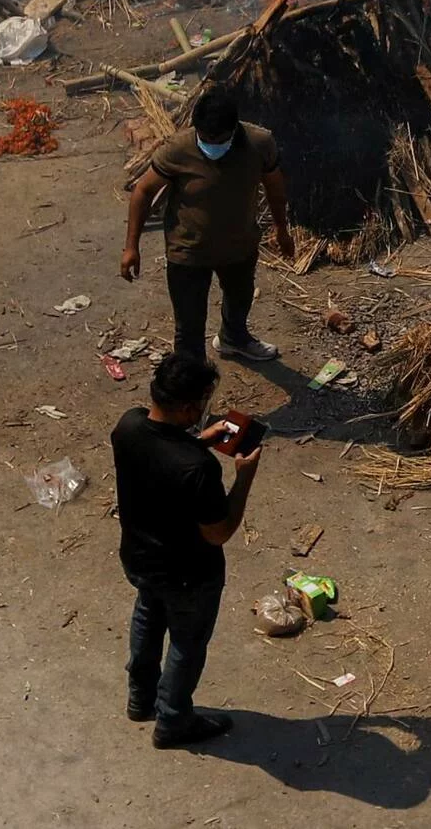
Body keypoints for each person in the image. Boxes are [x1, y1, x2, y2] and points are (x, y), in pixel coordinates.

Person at [113, 351, 262, 747]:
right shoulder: (196, 468)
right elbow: (218, 533)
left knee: (147, 616)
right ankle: (174, 721)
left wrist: (196, 441)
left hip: (140, 559)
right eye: (201, 405)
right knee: (186, 643)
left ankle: (141, 699)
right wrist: (244, 478)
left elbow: (160, 455)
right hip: (187, 574)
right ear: (188, 407)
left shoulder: (128, 426)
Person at [120, 87, 293, 363]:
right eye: (205, 138)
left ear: (234, 129)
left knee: (239, 300)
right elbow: (143, 191)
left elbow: (274, 186)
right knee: (188, 329)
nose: (212, 145)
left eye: (219, 139)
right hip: (188, 252)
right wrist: (131, 247)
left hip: (239, 246)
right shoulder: (177, 149)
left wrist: (281, 228)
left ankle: (233, 338)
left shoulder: (260, 144)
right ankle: (191, 387)